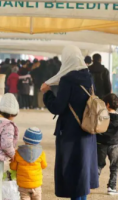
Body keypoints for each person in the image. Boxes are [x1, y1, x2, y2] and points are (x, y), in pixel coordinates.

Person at [41, 45, 99, 200]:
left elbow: (58, 107)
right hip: (87, 130)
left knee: (72, 172)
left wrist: (47, 94)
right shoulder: (88, 77)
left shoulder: (67, 80)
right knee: (82, 172)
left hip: (71, 133)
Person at [10, 127, 47, 200]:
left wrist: (12, 161)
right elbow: (44, 165)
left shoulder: (17, 152)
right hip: (36, 184)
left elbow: (13, 167)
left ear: (25, 139)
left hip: (23, 185)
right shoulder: (41, 153)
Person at [97, 93, 118, 195]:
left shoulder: (102, 116)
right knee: (114, 166)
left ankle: (92, 182)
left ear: (107, 105)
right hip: (115, 145)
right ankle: (112, 187)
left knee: (98, 164)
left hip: (101, 144)